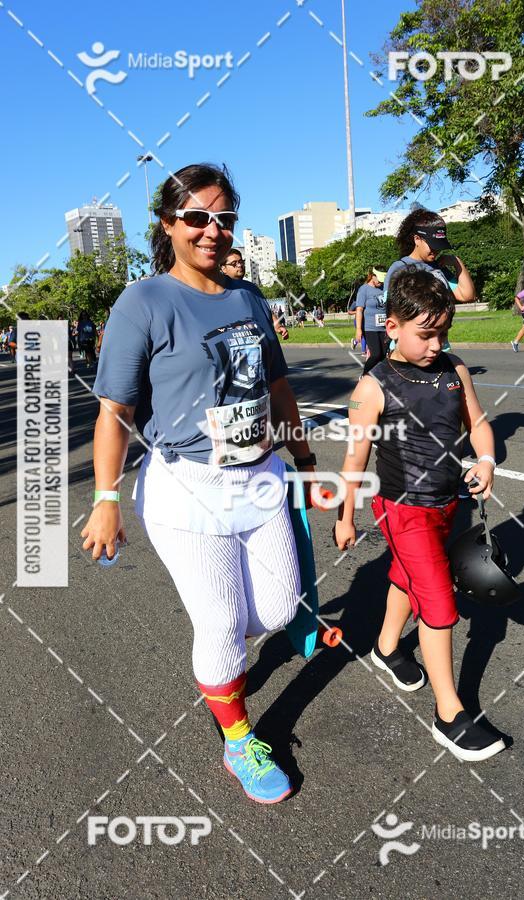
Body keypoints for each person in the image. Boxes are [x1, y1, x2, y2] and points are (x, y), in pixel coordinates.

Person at [82, 163, 320, 804]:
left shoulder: (247, 299)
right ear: (168, 225)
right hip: (188, 487)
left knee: (272, 611)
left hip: (262, 475)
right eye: (196, 218)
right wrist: (106, 500)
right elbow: (116, 411)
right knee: (218, 623)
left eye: (223, 218)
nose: (211, 231)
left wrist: (302, 455)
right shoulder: (144, 301)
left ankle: (225, 669)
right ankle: (240, 740)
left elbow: (275, 385)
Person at [334, 266, 505, 762]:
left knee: (407, 577)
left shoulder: (454, 371)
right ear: (391, 327)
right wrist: (346, 515)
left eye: (443, 333)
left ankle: (387, 646)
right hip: (401, 508)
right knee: (438, 599)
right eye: (425, 334)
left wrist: (487, 460)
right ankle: (450, 714)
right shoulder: (373, 387)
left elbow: (478, 423)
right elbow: (355, 457)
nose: (436, 344)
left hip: (447, 501)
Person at [384, 209, 476, 352]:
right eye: (432, 245)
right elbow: (390, 310)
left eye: (439, 246)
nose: (436, 250)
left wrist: (457, 263)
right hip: (410, 351)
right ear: (417, 239)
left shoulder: (439, 268)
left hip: (440, 347)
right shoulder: (399, 268)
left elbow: (467, 295)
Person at [221, 248, 289, 340]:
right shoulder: (219, 290)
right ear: (223, 268)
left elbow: (266, 310)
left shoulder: (252, 287)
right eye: (234, 263)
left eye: (241, 262)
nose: (240, 265)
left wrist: (278, 326)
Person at [355, 266, 387, 374]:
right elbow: (359, 310)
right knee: (376, 354)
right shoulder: (364, 289)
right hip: (370, 328)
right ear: (373, 276)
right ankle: (365, 375)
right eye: (379, 280)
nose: (381, 283)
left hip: (384, 327)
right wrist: (358, 329)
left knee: (384, 355)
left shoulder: (384, 288)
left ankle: (378, 378)